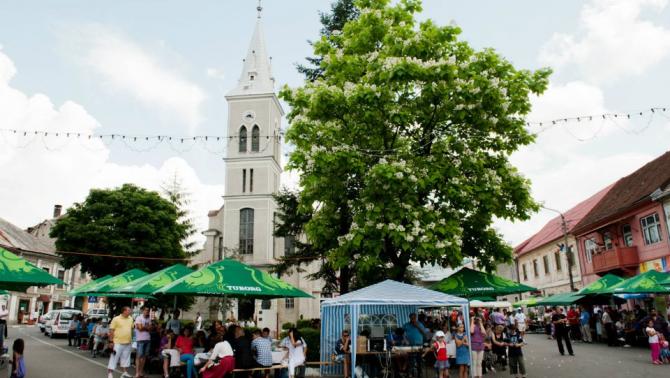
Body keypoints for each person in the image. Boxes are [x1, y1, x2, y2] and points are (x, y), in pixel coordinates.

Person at [107, 306, 134, 378]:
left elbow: (131, 330)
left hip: (128, 342)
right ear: (124, 311)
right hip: (117, 342)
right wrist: (110, 341)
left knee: (126, 359)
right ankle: (110, 373)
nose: (130, 312)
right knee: (114, 358)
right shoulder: (116, 319)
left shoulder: (130, 319)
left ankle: (124, 372)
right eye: (129, 310)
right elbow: (111, 331)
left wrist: (132, 340)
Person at [134, 305, 152, 378]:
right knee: (139, 356)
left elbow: (150, 328)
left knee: (144, 357)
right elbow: (140, 328)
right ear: (142, 311)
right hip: (140, 339)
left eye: (148, 310)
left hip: (147, 339)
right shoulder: (139, 318)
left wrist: (144, 327)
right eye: (145, 310)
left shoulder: (149, 319)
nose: (147, 312)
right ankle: (137, 373)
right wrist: (146, 327)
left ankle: (141, 372)